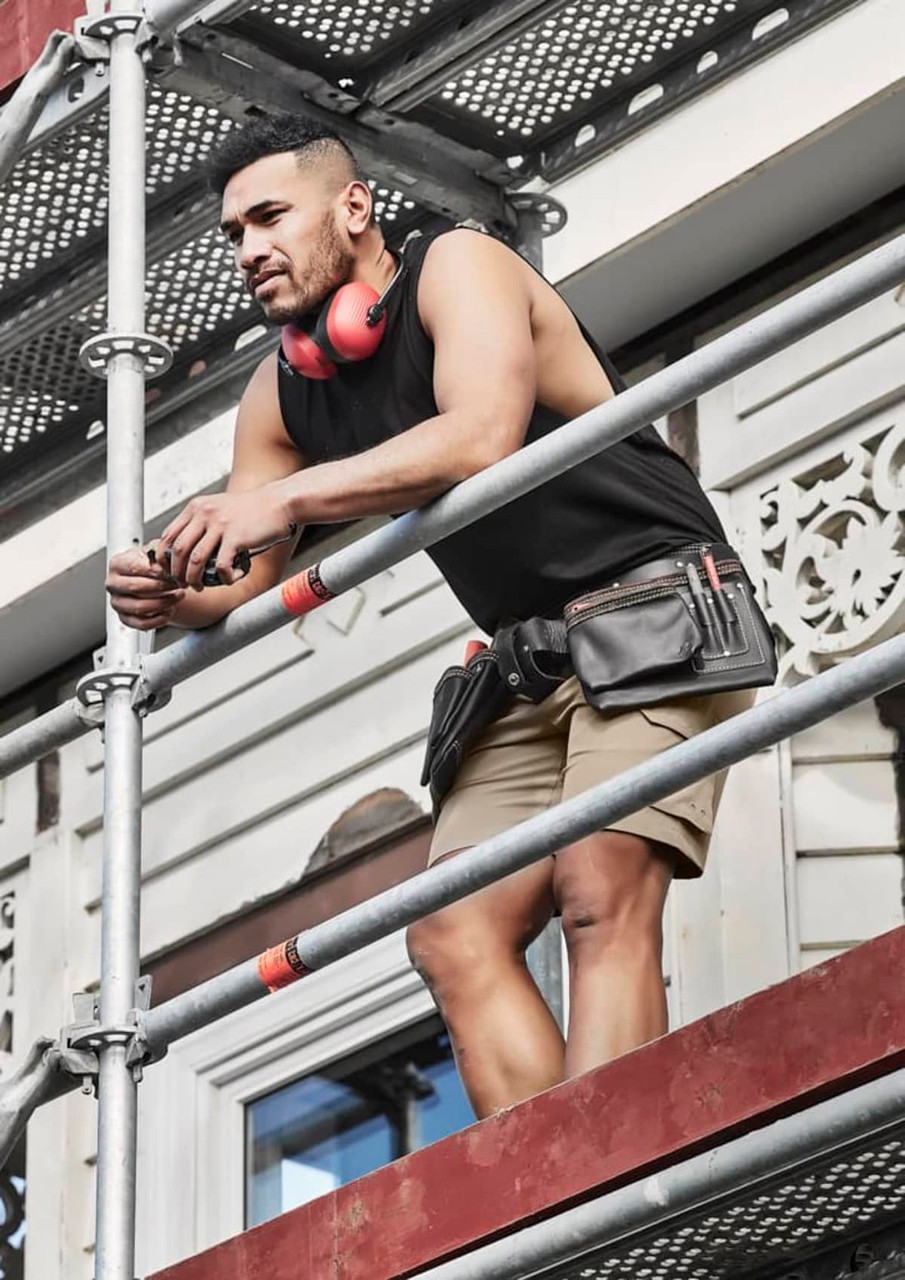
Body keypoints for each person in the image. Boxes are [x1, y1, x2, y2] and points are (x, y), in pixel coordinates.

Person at [107, 116, 753, 1120]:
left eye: (271, 216)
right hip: (527, 663)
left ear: (354, 207)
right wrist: (168, 594)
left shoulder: (458, 266)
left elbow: (480, 435)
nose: (249, 250)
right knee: (448, 930)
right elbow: (245, 579)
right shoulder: (280, 393)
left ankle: (615, 1187)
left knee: (598, 886)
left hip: (657, 605)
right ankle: (559, 1210)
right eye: (234, 233)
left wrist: (282, 498)